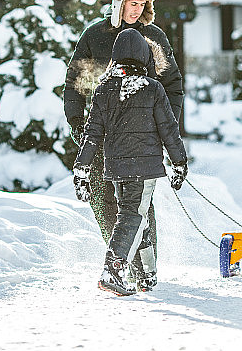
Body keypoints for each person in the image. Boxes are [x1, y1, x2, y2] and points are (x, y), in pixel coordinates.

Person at [63, 0, 184, 275]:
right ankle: (120, 260)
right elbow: (75, 83)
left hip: (143, 134)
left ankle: (145, 269)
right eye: (132, 3)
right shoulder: (94, 36)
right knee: (103, 201)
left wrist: (167, 126)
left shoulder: (154, 37)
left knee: (139, 203)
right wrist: (78, 124)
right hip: (103, 130)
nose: (137, 10)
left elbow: (172, 84)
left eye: (143, 4)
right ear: (118, 1)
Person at [73, 28, 188, 295]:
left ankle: (146, 275)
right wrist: (179, 162)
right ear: (144, 56)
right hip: (144, 168)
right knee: (133, 215)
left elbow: (92, 135)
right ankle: (113, 269)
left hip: (115, 168)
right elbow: (168, 129)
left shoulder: (104, 90)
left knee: (138, 216)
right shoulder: (153, 88)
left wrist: (82, 169)